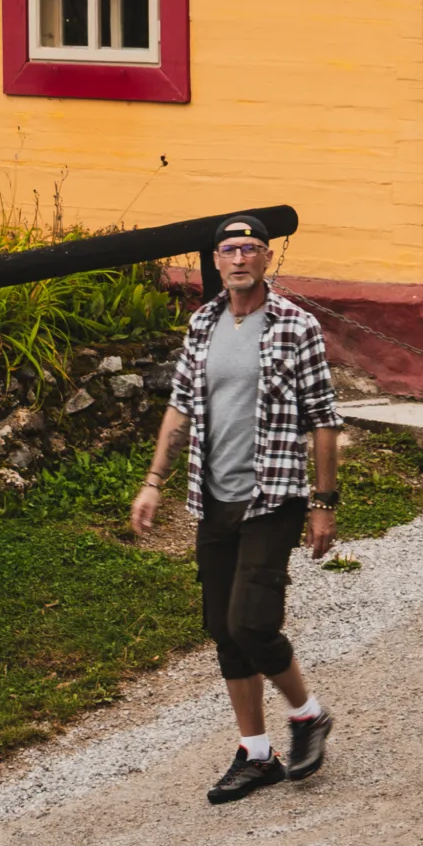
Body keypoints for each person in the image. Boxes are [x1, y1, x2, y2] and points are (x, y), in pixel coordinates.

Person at [130, 212, 343, 803]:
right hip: (213, 496)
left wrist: (323, 503)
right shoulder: (202, 323)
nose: (240, 258)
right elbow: (180, 406)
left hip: (273, 497)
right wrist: (153, 481)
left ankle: (308, 715)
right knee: (224, 630)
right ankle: (256, 754)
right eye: (230, 250)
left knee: (252, 623)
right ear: (217, 260)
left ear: (267, 257)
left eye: (251, 249)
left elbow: (323, 418)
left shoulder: (296, 326)